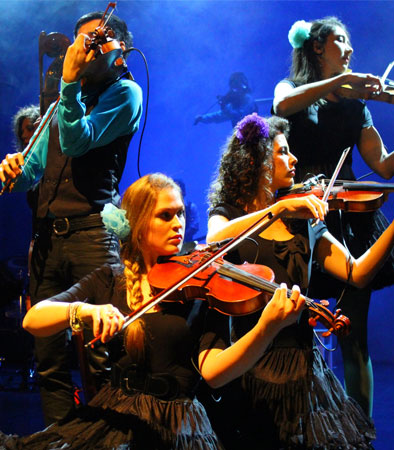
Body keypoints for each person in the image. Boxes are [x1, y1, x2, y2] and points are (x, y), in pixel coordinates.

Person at [0, 172, 306, 449]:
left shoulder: (203, 285)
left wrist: (266, 329)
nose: (178, 224)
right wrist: (83, 311)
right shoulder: (110, 279)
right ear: (138, 223)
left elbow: (214, 373)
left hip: (180, 425)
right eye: (165, 215)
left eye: (181, 213)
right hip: (117, 418)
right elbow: (33, 319)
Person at [206, 113, 394, 449]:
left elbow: (358, 272)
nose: (294, 159)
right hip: (251, 364)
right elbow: (214, 240)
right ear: (258, 161)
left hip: (303, 368)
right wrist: (275, 211)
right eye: (282, 152)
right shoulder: (231, 215)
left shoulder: (303, 220)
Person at [272, 17, 394, 417]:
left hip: (349, 220)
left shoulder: (356, 109)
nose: (350, 49)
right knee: (288, 330)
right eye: (340, 40)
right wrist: (337, 84)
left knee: (355, 336)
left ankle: (361, 431)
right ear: (317, 47)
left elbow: (384, 168)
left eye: (350, 42)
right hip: (298, 220)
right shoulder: (291, 90)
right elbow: (282, 106)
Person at [0, 10, 142, 425]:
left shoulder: (124, 93)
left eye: (92, 42)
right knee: (48, 358)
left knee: (100, 357)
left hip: (92, 236)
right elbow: (37, 167)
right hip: (49, 238)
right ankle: (59, 439)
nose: (80, 50)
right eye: (78, 42)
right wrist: (14, 169)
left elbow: (79, 141)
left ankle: (106, 438)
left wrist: (66, 85)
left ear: (116, 49)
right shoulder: (64, 92)